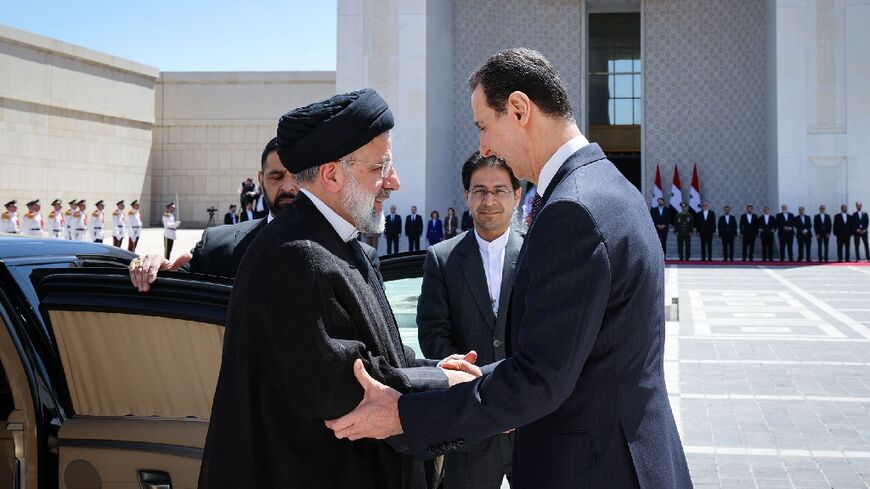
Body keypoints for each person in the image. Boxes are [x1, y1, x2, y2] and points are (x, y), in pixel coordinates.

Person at [326, 48, 691, 489]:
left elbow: (539, 379)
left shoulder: (573, 209)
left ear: (518, 109)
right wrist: (453, 379)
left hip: (594, 468)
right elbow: (571, 357)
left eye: (484, 125)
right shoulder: (608, 186)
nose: (483, 145)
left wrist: (402, 414)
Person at [199, 89, 475, 489]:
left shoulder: (342, 246)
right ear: (331, 174)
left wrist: (439, 368)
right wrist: (448, 386)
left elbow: (378, 356)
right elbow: (348, 388)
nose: (393, 182)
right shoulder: (297, 256)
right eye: (380, 168)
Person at [417, 152, 522, 489]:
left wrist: (518, 398)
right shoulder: (442, 259)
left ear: (517, 194)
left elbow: (551, 335)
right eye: (479, 190)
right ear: (466, 195)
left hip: (531, 425)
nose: (488, 200)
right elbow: (434, 336)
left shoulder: (540, 254)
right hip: (469, 424)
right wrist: (480, 395)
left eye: (499, 190)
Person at [130, 137, 304, 290]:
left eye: (297, 176)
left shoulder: (331, 242)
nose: (288, 186)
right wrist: (150, 268)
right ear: (261, 180)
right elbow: (173, 280)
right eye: (277, 176)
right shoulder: (216, 247)